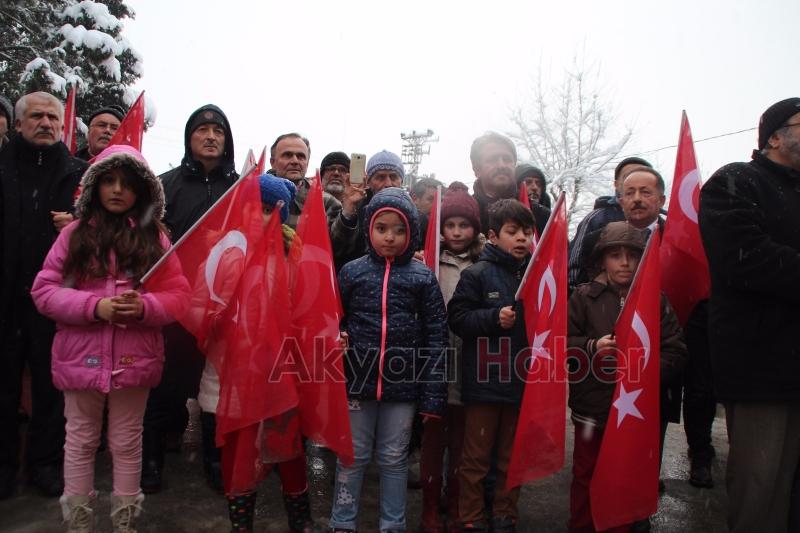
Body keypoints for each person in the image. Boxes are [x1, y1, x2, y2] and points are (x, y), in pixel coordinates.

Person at [30, 145, 189, 532]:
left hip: (134, 359)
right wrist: (94, 307)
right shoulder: (73, 235)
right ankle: (79, 522)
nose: (117, 190)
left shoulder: (155, 239)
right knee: (81, 441)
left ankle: (123, 523)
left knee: (126, 441)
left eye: (127, 184)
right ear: (94, 187)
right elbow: (44, 291)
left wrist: (145, 307)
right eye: (108, 181)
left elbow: (179, 296)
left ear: (142, 191)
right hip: (79, 358)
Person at [195, 172, 323, 533]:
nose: (260, 216)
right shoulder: (225, 252)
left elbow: (309, 310)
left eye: (269, 209)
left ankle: (301, 519)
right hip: (234, 375)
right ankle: (241, 523)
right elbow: (203, 305)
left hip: (279, 374)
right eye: (254, 207)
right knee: (239, 453)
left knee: (288, 449)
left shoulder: (294, 256)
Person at [699, 97, 800, 533]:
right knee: (764, 492)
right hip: (764, 368)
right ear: (775, 136)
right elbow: (744, 259)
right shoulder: (736, 182)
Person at [330, 187, 448, 533]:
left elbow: (436, 337)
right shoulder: (351, 272)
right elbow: (332, 318)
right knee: (351, 458)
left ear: (411, 232)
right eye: (382, 228)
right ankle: (341, 521)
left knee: (394, 460)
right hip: (355, 384)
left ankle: (393, 524)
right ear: (369, 229)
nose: (390, 237)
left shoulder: (423, 277)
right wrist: (335, 339)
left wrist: (432, 395)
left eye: (399, 230)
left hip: (404, 389)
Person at [141, 104, 238, 494]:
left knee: (215, 390)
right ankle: (151, 461)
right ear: (189, 138)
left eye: (219, 131)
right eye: (202, 130)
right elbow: (143, 235)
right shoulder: (164, 185)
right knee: (164, 387)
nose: (211, 136)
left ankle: (216, 460)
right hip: (176, 302)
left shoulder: (240, 188)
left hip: (223, 305)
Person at [566, 221, 686, 533]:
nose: (624, 262)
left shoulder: (655, 300)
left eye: (632, 255)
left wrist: (641, 371)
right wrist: (592, 348)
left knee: (623, 475)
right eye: (615, 255)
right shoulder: (582, 297)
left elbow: (675, 352)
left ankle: (618, 525)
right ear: (600, 260)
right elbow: (561, 345)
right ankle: (581, 525)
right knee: (585, 473)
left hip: (634, 412)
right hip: (591, 409)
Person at [0, 91, 88, 499]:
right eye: (36, 116)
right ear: (18, 124)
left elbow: (106, 225)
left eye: (53, 117)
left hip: (55, 301)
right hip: (4, 299)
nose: (46, 123)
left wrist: (78, 224)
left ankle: (45, 465)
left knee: (52, 390)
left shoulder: (80, 175)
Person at [448, 199, 535, 533]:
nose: (521, 240)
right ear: (493, 236)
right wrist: (491, 318)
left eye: (526, 232)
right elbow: (457, 318)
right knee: (476, 459)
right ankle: (471, 516)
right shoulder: (477, 274)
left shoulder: (536, 275)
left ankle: (505, 513)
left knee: (510, 458)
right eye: (512, 232)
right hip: (483, 383)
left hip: (520, 382)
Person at [420, 183, 483, 533]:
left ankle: (456, 504)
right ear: (441, 228)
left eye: (464, 225)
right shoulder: (428, 261)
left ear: (474, 228)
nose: (457, 232)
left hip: (469, 364)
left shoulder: (484, 263)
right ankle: (430, 506)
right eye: (450, 225)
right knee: (433, 440)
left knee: (463, 443)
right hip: (435, 362)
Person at [568, 157, 653, 288]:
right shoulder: (597, 219)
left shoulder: (666, 224)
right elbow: (576, 264)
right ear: (616, 184)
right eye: (628, 176)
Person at [330, 150, 406, 270]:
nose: (388, 183)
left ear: (401, 181)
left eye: (393, 176)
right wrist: (349, 209)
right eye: (380, 177)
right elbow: (337, 250)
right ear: (368, 182)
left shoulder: (416, 217)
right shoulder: (358, 213)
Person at [469, 132, 549, 237]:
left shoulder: (541, 216)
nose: (501, 165)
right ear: (476, 170)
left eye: (507, 159)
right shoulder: (464, 217)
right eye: (492, 160)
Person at [269, 133, 341, 229]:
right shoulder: (255, 195)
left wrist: (348, 212)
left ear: (307, 163)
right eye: (287, 155)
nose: (295, 161)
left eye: (301, 156)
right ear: (272, 162)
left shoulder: (326, 203)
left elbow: (339, 242)